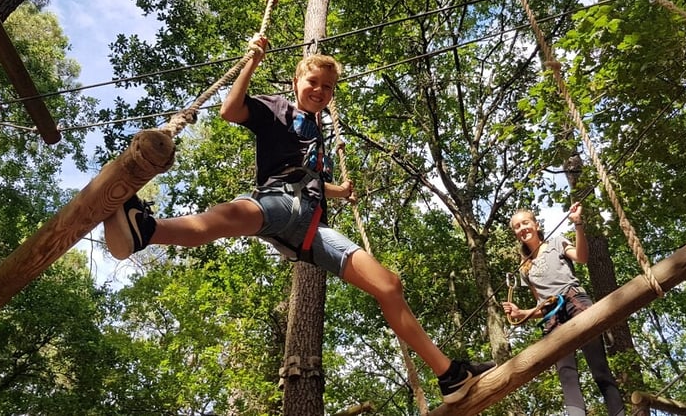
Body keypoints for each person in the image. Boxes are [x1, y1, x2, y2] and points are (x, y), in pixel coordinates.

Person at [103, 35, 493, 403]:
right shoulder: (276, 108)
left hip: (310, 228)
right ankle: (147, 232)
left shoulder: (319, 131)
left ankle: (449, 375)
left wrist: (338, 190)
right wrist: (251, 61)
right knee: (232, 216)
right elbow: (229, 110)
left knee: (389, 285)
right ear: (296, 81)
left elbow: (314, 178)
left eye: (328, 87)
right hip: (278, 200)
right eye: (313, 82)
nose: (320, 91)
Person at [501, 203, 625, 416]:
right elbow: (541, 304)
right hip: (552, 315)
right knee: (566, 373)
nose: (522, 229)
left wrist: (577, 224)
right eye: (517, 227)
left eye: (525, 223)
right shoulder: (525, 268)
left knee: (599, 367)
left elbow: (582, 257)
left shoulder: (557, 242)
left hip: (575, 301)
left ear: (536, 224)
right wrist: (522, 313)